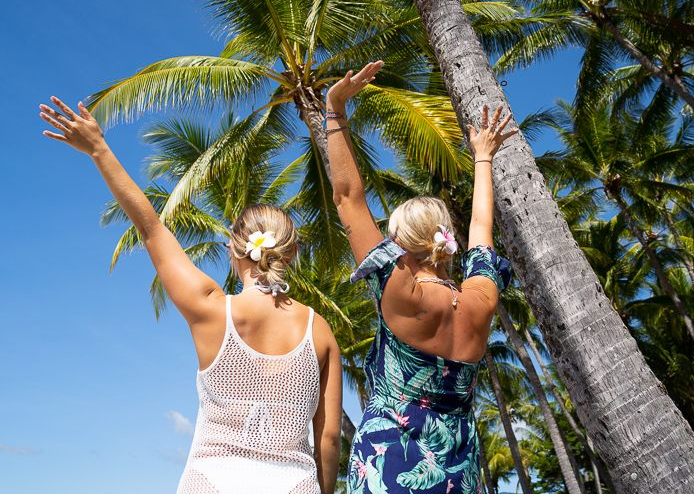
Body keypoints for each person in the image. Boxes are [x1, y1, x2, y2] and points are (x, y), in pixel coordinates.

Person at [38, 97, 343, 494]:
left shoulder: (212, 309)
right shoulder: (319, 331)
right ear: (293, 253)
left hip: (212, 479)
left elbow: (151, 228)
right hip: (294, 483)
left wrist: (99, 148)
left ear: (235, 251)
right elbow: (330, 437)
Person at [325, 62, 517, 493]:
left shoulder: (401, 292)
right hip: (458, 474)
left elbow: (347, 198)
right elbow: (482, 228)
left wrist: (334, 110)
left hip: (390, 465)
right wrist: (482, 157)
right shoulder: (479, 299)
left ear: (400, 244)